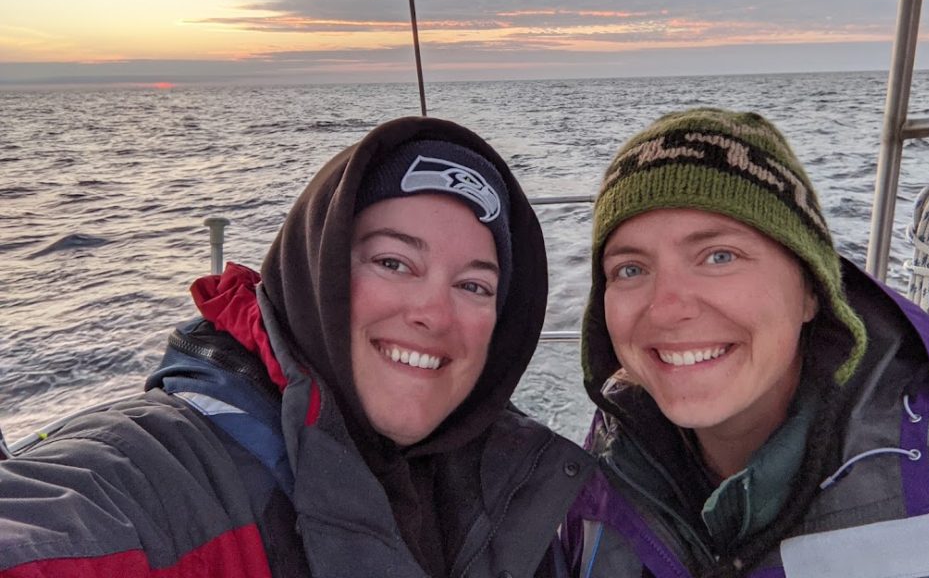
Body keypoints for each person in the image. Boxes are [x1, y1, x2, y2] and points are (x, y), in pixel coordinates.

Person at [0, 115, 594, 577]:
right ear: (317, 271)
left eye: (473, 285)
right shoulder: (175, 473)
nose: (434, 313)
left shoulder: (518, 475)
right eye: (393, 262)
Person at [565, 108, 929, 578]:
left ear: (811, 290)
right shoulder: (603, 461)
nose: (665, 307)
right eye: (630, 269)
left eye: (719, 256)